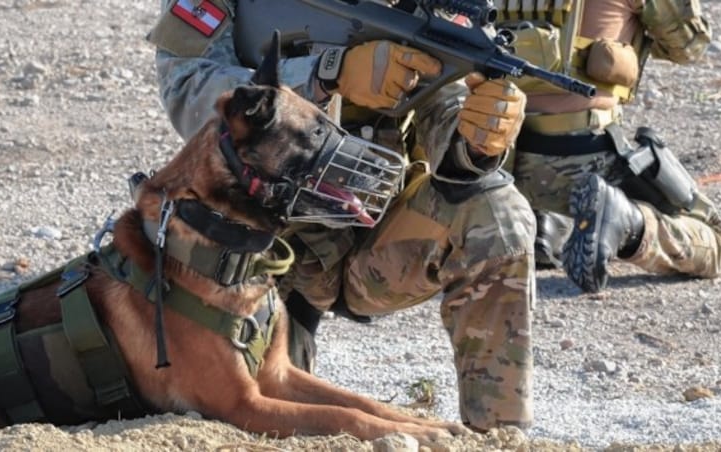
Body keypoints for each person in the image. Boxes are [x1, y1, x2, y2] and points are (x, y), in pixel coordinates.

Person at [147, 0, 536, 431]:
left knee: (499, 217)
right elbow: (188, 89)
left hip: (372, 240)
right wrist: (325, 74)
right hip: (259, 255)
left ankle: (498, 438)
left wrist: (475, 139)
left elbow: (444, 102)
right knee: (249, 415)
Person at [499, 0, 721, 292]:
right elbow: (688, 46)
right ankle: (627, 222)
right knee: (718, 243)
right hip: (581, 160)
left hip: (491, 160)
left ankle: (536, 225)